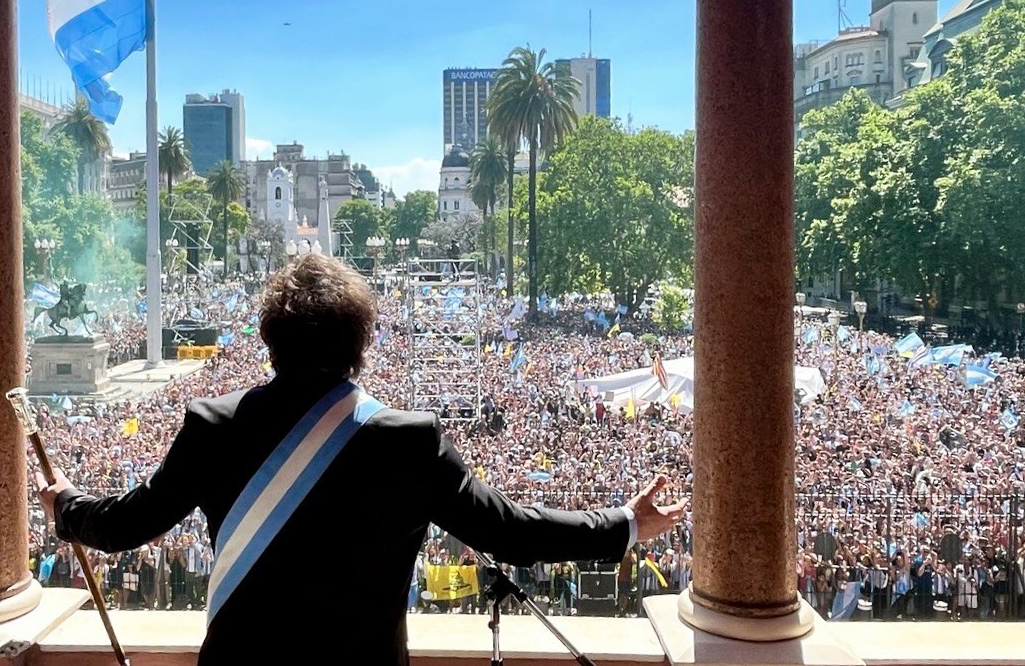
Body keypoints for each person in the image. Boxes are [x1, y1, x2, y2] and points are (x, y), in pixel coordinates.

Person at [37, 255, 687, 666]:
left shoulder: (214, 426)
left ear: (268, 339)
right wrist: (624, 523)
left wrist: (66, 504)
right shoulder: (409, 440)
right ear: (361, 343)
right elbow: (511, 531)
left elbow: (125, 525)